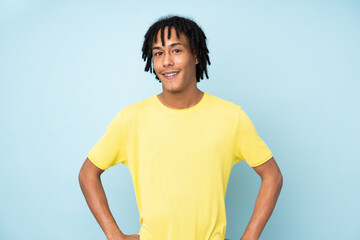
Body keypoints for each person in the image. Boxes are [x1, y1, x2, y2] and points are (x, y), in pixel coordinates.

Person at [78, 15, 283, 240]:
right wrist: (113, 234)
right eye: (158, 53)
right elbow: (88, 173)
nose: (166, 62)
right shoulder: (132, 119)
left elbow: (272, 176)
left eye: (176, 50)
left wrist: (250, 237)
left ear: (195, 55)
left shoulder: (231, 117)